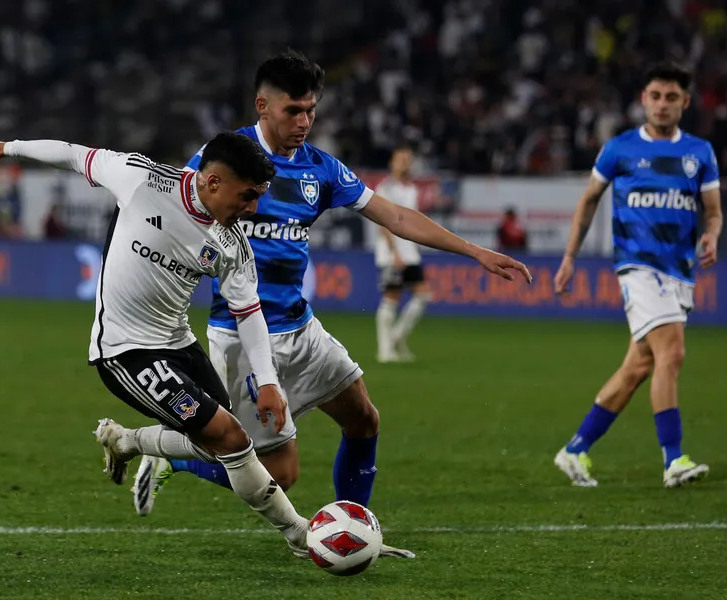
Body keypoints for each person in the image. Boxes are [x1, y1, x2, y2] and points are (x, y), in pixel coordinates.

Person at [132, 50, 531, 547]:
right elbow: (171, 216)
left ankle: (355, 531)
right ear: (262, 106)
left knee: (363, 417)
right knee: (280, 473)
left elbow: (395, 216)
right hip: (244, 339)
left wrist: (473, 251)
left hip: (301, 327)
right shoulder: (222, 160)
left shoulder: (320, 169)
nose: (304, 122)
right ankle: (172, 455)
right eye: (292, 111)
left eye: (311, 110)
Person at [0, 132, 310, 557]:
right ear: (213, 182)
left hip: (178, 343)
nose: (252, 208)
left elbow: (248, 312)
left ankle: (126, 442)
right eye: (248, 195)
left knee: (217, 444)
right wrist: (9, 148)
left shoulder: (232, 244)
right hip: (125, 350)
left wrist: (269, 381)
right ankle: (300, 535)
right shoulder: (142, 179)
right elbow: (74, 156)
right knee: (231, 438)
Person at [552, 62, 722, 488]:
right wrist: (570, 256)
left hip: (679, 272)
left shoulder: (699, 153)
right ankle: (674, 459)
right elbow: (589, 201)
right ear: (644, 99)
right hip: (638, 268)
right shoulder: (620, 149)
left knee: (638, 366)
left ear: (685, 102)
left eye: (671, 97)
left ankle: (575, 450)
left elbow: (713, 212)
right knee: (673, 354)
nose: (662, 105)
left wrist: (713, 236)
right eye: (654, 96)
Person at [374, 144, 430, 363]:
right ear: (392, 163)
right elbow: (382, 222)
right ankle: (384, 349)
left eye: (408, 159)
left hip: (409, 251)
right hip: (391, 253)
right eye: (401, 159)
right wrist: (393, 251)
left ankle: (397, 336)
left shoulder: (412, 189)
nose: (405, 163)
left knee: (423, 294)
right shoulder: (386, 188)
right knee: (392, 297)